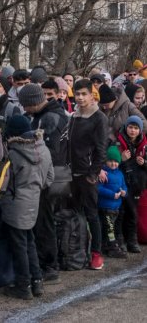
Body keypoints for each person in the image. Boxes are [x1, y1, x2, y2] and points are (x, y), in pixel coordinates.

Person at [18, 83, 69, 283]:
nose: (24, 109)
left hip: (47, 178)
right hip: (46, 176)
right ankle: (47, 261)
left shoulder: (49, 118)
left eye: (25, 105)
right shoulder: (45, 116)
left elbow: (47, 152)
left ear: (32, 102)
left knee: (44, 221)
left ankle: (49, 265)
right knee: (44, 220)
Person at [1, 115, 54, 300]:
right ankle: (37, 282)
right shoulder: (44, 149)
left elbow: (3, 183)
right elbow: (49, 179)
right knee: (29, 241)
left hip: (15, 204)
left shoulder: (13, 153)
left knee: (19, 245)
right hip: (34, 201)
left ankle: (23, 286)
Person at [69, 79, 108, 270]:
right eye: (77, 94)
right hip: (72, 173)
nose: (80, 97)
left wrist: (92, 174)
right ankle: (77, 251)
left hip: (87, 174)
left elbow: (101, 150)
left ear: (92, 95)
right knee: (75, 214)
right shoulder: (74, 116)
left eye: (84, 94)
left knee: (92, 214)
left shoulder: (99, 117)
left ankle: (97, 253)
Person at [116, 115, 146, 253]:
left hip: (137, 184)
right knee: (121, 212)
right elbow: (109, 164)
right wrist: (121, 159)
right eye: (130, 127)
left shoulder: (144, 145)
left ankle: (132, 240)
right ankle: (120, 240)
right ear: (126, 127)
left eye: (135, 128)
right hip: (121, 182)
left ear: (140, 130)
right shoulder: (117, 143)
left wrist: (144, 163)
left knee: (133, 213)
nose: (132, 131)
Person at [97, 145, 128, 259]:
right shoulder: (103, 173)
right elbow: (99, 188)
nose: (113, 164)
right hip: (105, 207)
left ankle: (106, 245)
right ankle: (112, 248)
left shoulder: (120, 174)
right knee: (110, 229)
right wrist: (112, 195)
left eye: (116, 161)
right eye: (110, 161)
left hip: (116, 208)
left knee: (111, 227)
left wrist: (124, 192)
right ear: (106, 161)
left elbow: (124, 186)